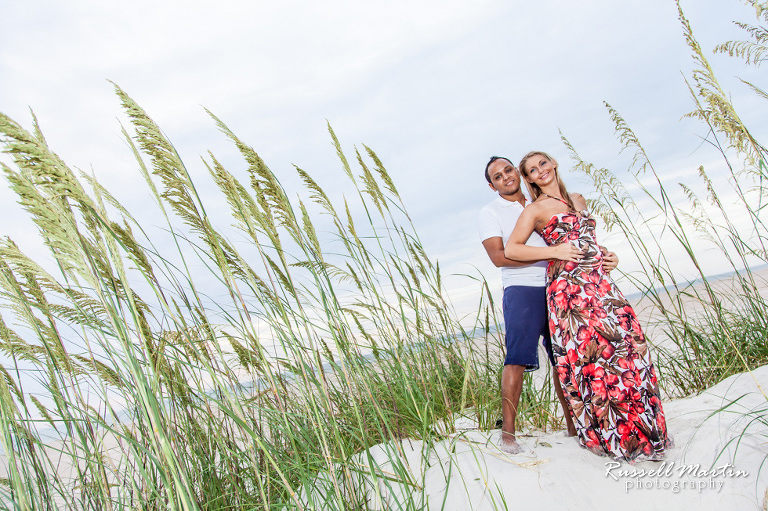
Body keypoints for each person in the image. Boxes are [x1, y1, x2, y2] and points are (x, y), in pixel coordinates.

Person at [504, 150, 671, 461]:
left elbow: (587, 240)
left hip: (600, 283)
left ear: (553, 163)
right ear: (528, 179)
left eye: (543, 163)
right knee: (596, 361)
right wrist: (555, 251)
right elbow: (512, 248)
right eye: (532, 170)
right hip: (570, 290)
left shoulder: (578, 199)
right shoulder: (535, 210)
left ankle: (645, 430)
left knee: (629, 350)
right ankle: (614, 438)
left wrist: (610, 256)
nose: (541, 171)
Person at [479, 156, 618, 454]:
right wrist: (555, 254)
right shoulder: (490, 212)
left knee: (562, 358)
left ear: (518, 172)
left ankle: (573, 427)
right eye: (498, 176)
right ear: (492, 186)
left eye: (508, 170)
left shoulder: (540, 200)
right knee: (517, 357)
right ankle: (508, 434)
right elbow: (499, 257)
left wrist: (596, 256)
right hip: (523, 287)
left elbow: (575, 238)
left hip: (560, 286)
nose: (506, 177)